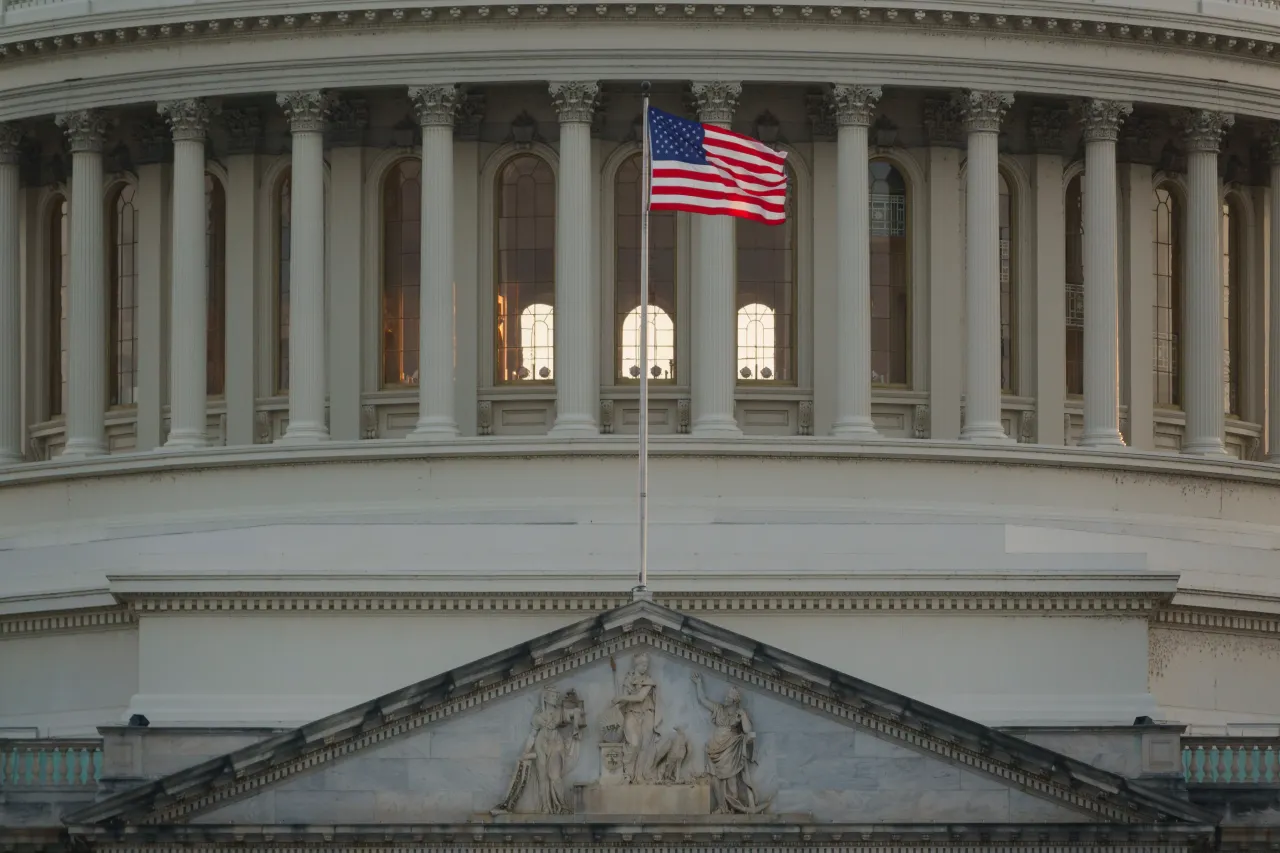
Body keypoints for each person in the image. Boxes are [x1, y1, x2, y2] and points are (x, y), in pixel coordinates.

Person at [691, 673, 764, 814]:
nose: (725, 699)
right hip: (714, 749)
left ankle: (734, 806)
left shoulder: (738, 713)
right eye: (726, 697)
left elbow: (748, 730)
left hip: (730, 749)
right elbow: (702, 700)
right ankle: (722, 806)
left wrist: (743, 716)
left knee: (732, 782)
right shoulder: (719, 709)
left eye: (728, 698)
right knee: (716, 779)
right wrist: (699, 683)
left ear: (735, 700)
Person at [610, 653, 661, 783]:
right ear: (637, 665)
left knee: (645, 745)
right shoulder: (628, 680)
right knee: (633, 743)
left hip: (647, 713)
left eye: (646, 665)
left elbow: (640, 697)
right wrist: (616, 706)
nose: (645, 667)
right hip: (631, 712)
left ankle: (639, 775)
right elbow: (626, 701)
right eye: (643, 665)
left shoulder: (649, 680)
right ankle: (627, 774)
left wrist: (621, 697)